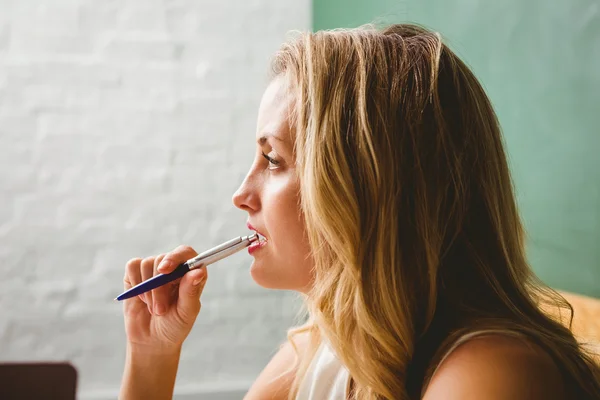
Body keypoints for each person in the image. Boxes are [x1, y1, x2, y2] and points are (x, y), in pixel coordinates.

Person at [118, 23, 600, 399]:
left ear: (367, 185)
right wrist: (152, 355)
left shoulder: (492, 369)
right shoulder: (320, 351)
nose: (241, 193)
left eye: (273, 159)